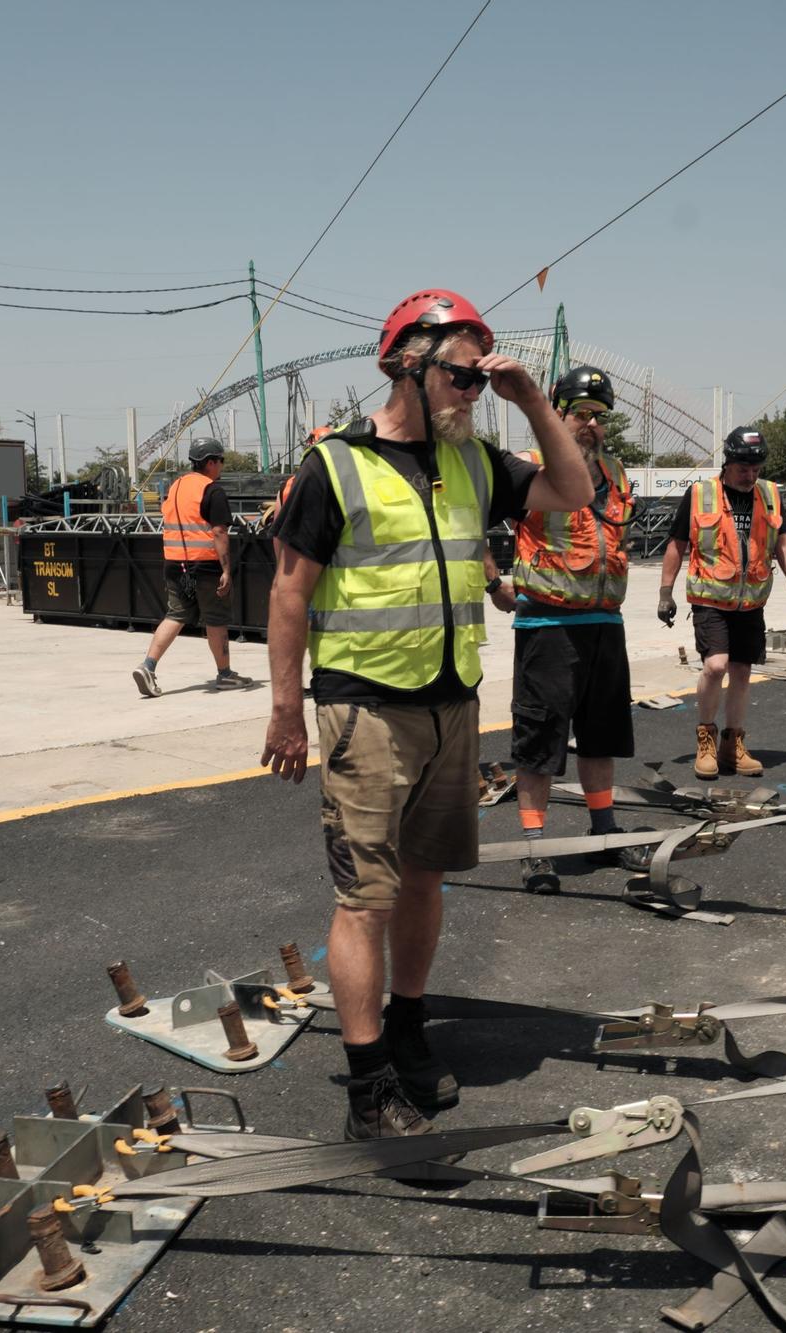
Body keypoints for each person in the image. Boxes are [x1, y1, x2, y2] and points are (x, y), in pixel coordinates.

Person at [260, 289, 593, 1143]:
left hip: (451, 704)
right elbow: (290, 590)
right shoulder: (334, 465)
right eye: (460, 374)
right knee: (364, 898)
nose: (471, 392)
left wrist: (528, 399)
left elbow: (575, 486)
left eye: (482, 380)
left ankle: (405, 1026)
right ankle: (367, 1086)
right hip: (365, 707)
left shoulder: (476, 461)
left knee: (426, 879)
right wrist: (286, 710)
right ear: (404, 365)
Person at [489, 366, 646, 895]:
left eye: (599, 416)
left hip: (605, 623)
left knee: (600, 738)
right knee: (540, 743)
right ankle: (535, 849)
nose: (591, 423)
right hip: (548, 625)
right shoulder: (529, 468)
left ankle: (604, 831)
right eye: (580, 412)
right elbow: (467, 523)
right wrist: (494, 584)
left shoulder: (617, 472)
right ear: (555, 412)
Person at [658, 426, 786, 781]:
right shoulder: (699, 494)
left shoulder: (769, 495)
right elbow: (676, 545)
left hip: (751, 603)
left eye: (756, 469)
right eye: (744, 469)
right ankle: (706, 739)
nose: (750, 475)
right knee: (716, 666)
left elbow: (782, 544)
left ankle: (732, 745)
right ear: (728, 463)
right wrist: (666, 593)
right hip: (711, 600)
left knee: (742, 672)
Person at [133, 437, 253, 697]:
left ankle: (148, 666)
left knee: (176, 614)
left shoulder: (176, 486)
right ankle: (225, 674)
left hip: (176, 565)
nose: (222, 465)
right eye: (220, 460)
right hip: (205, 565)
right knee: (216, 618)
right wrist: (226, 571)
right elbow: (219, 532)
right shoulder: (212, 490)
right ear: (210, 462)